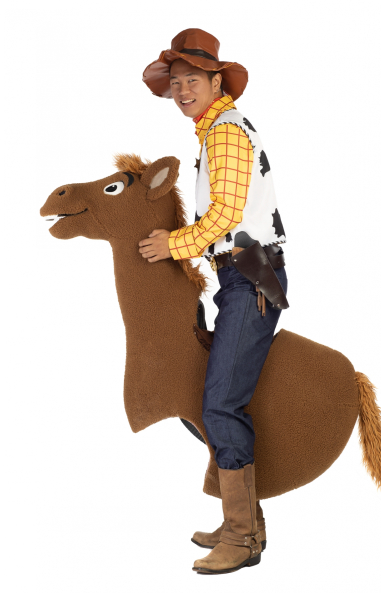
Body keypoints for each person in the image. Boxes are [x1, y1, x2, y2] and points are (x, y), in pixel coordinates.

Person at [139, 28, 288, 575]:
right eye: (176, 82)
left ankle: (243, 537)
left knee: (220, 403)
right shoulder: (215, 132)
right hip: (238, 277)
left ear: (217, 81)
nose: (182, 90)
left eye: (192, 80)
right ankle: (242, 521)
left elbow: (225, 214)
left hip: (249, 277)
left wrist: (173, 245)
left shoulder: (224, 133)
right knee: (212, 397)